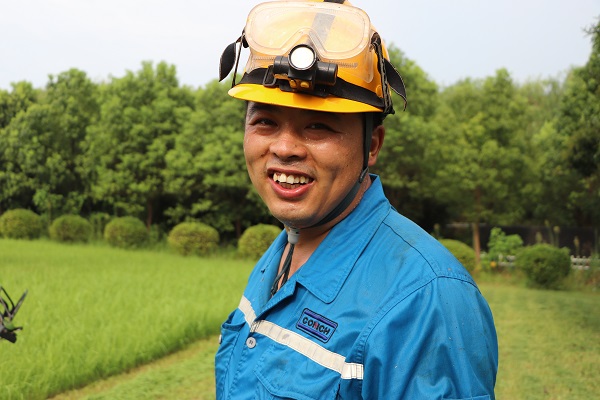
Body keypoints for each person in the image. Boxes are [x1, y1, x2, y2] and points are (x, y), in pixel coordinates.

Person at [215, 0, 498, 399]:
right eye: (265, 121)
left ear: (372, 145)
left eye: (318, 126)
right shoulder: (284, 249)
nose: (284, 148)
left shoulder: (427, 300)